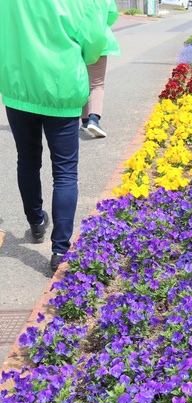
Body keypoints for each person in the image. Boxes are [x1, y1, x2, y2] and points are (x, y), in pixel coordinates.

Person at [0, 1, 108, 273]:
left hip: (18, 85)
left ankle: (36, 223)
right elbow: (95, 45)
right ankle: (60, 248)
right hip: (61, 88)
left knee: (27, 159)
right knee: (65, 172)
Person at [82, 0, 121, 139]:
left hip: (76, 40)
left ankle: (85, 120)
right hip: (99, 40)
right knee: (97, 84)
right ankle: (94, 119)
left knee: (81, 80)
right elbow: (112, 14)